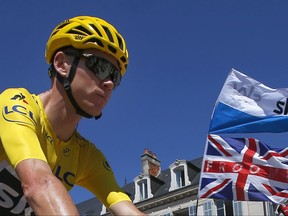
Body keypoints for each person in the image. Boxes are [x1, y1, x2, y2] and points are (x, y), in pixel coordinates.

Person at [0, 15, 146, 215]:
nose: (109, 83)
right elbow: (38, 184)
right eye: (100, 67)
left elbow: (128, 210)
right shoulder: (17, 104)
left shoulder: (86, 156)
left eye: (115, 76)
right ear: (61, 63)